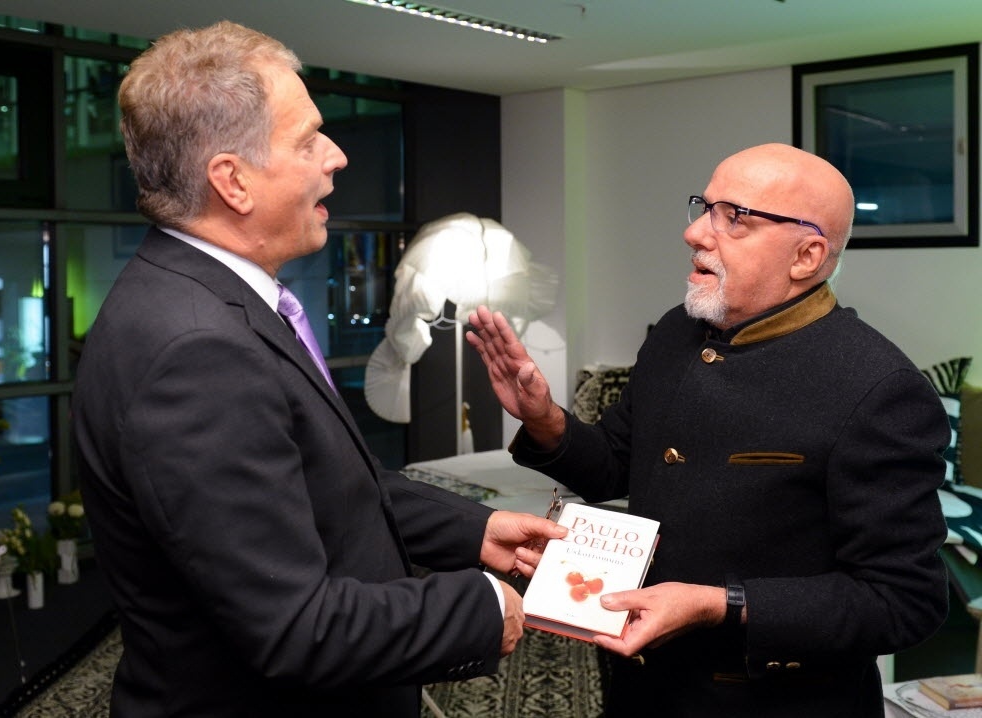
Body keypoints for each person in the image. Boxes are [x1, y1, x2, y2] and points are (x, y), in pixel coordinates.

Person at [72, 21, 565, 718]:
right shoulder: (196, 351)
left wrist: (473, 532)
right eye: (307, 140)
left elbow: (326, 484)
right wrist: (479, 607)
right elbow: (295, 628)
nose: (335, 156)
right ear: (233, 181)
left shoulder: (201, 300)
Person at [467, 143, 950, 718]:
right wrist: (544, 419)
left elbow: (904, 601)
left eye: (736, 217)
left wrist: (724, 604)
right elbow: (615, 465)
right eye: (705, 206)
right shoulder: (678, 331)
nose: (695, 232)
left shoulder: (877, 386)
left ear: (807, 255)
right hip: (643, 692)